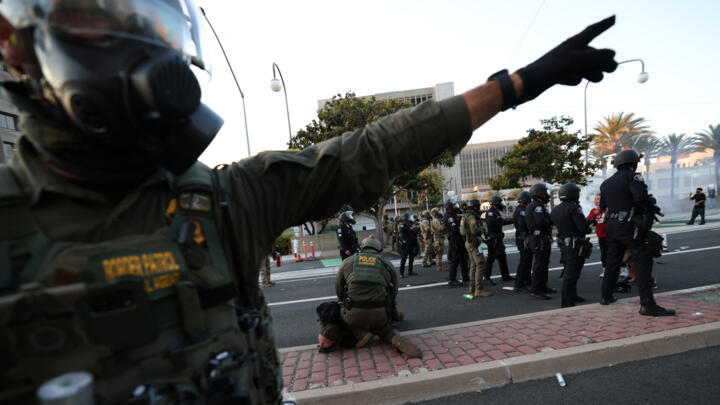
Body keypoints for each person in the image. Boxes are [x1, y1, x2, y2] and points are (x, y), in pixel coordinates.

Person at [0, 1, 619, 400]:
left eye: (147, 23)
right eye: (95, 17)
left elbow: (365, 152)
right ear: (13, 41)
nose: (132, 42)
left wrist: (515, 86)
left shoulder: (221, 202)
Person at [600, 150, 675, 316]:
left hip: (611, 225)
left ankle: (606, 296)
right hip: (628, 225)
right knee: (642, 257)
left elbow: (603, 207)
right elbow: (640, 197)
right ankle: (647, 303)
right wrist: (652, 205)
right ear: (632, 164)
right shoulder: (633, 177)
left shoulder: (605, 183)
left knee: (612, 261)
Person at [335, 236, 421, 357]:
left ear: (361, 248)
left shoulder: (348, 262)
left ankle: (360, 333)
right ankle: (394, 337)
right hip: (379, 312)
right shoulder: (387, 264)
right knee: (385, 329)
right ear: (379, 250)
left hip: (353, 312)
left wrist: (341, 301)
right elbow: (393, 291)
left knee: (338, 314)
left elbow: (339, 285)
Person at [551, 184, 592, 308]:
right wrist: (588, 226)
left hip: (564, 243)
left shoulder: (556, 209)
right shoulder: (574, 208)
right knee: (571, 274)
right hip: (575, 244)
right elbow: (583, 228)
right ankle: (567, 302)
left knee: (571, 272)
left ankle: (573, 296)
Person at [526, 183, 556, 300]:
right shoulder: (537, 206)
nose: (547, 195)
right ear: (540, 194)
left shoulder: (536, 205)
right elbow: (541, 222)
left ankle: (542, 286)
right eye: (545, 193)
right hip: (539, 239)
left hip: (541, 238)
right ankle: (535, 289)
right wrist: (549, 220)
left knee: (544, 263)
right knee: (539, 264)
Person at [462, 199, 492, 297]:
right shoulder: (472, 218)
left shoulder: (465, 216)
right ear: (474, 207)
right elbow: (474, 231)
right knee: (480, 263)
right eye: (477, 206)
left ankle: (472, 286)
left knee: (473, 265)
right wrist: (482, 229)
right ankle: (479, 289)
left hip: (468, 242)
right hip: (474, 242)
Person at [484, 195, 515, 283]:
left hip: (497, 239)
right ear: (496, 203)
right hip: (494, 240)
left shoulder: (496, 212)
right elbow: (491, 223)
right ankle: (486, 277)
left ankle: (505, 276)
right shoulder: (491, 213)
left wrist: (513, 220)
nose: (502, 205)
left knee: (502, 257)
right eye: (500, 203)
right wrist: (500, 220)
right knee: (491, 258)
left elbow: (503, 221)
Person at [444, 200, 470, 287]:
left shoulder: (453, 215)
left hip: (459, 239)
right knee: (455, 261)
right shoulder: (449, 217)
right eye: (454, 206)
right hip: (455, 240)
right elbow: (455, 229)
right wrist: (463, 227)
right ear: (449, 207)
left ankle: (465, 276)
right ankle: (452, 280)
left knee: (463, 259)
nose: (456, 206)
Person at [513, 191, 534, 292]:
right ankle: (519, 283)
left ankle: (527, 279)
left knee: (528, 260)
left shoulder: (522, 209)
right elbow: (522, 224)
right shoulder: (521, 211)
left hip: (524, 238)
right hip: (523, 238)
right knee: (524, 261)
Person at [587, 193, 607, 277]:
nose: (596, 200)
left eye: (598, 199)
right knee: (604, 254)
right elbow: (587, 220)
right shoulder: (593, 210)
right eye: (595, 199)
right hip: (601, 236)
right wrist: (594, 214)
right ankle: (605, 270)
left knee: (614, 253)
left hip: (610, 235)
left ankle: (623, 269)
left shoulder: (607, 209)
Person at [398, 213, 420, 277]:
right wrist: (410, 228)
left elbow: (415, 230)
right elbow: (402, 229)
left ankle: (410, 271)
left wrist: (415, 231)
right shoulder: (402, 225)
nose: (407, 219)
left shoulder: (410, 223)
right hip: (406, 244)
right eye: (407, 217)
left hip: (412, 243)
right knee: (403, 259)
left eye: (407, 218)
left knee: (411, 258)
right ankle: (401, 273)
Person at [431, 207, 448, 272]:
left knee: (439, 253)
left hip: (439, 238)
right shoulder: (435, 221)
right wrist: (445, 225)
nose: (439, 213)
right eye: (438, 212)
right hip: (438, 239)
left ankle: (440, 266)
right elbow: (440, 228)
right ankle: (439, 268)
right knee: (439, 254)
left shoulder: (437, 220)